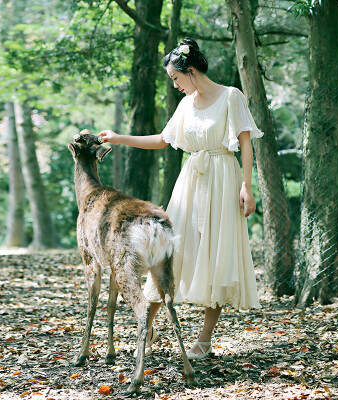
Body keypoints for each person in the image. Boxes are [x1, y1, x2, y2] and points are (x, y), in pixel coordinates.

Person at [98, 38, 262, 360]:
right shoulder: (186, 104)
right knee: (167, 250)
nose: (174, 85)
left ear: (191, 71)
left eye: (176, 78)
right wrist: (119, 138)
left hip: (223, 179)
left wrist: (247, 186)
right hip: (190, 181)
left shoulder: (231, 97)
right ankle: (149, 326)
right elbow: (163, 139)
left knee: (216, 253)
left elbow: (244, 142)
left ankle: (204, 340)